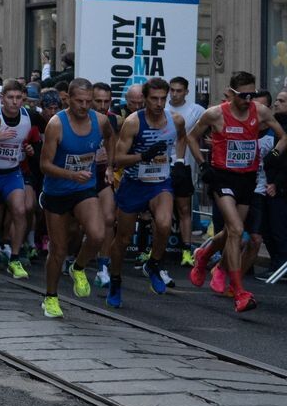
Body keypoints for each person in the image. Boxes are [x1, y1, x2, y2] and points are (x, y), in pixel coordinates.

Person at [187, 71, 287, 312]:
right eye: (242, 95)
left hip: (247, 178)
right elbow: (191, 137)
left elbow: (283, 137)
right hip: (222, 176)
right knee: (237, 230)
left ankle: (203, 255)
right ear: (231, 93)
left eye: (251, 94)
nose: (247, 99)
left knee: (230, 231)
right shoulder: (215, 113)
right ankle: (240, 292)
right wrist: (203, 164)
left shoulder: (260, 112)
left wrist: (274, 154)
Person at [38, 78, 112, 319]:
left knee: (98, 234)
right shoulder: (56, 124)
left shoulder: (100, 121)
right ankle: (50, 297)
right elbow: (44, 165)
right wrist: (71, 174)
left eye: (88, 102)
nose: (84, 106)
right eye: (79, 101)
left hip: (83, 188)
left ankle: (78, 267)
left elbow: (112, 139)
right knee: (58, 249)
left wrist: (110, 167)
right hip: (57, 191)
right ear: (67, 99)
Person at [112, 77, 187, 305]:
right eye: (154, 98)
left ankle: (153, 264)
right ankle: (115, 281)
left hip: (159, 182)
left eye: (163, 98)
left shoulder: (176, 120)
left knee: (164, 224)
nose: (159, 103)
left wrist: (180, 160)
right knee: (123, 239)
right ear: (144, 99)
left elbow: (182, 137)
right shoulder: (134, 122)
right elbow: (117, 159)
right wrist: (143, 156)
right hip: (134, 183)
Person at [0, 79, 39, 279]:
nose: (14, 102)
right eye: (10, 98)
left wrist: (32, 148)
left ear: (24, 99)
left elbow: (47, 133)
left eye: (19, 98)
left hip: (12, 173)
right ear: (2, 98)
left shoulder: (29, 115)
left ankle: (14, 258)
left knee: (20, 211)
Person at [167, 76, 206, 265]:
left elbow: (213, 126)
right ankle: (151, 251)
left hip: (184, 167)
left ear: (186, 92)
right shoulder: (162, 109)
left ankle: (186, 252)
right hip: (161, 167)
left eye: (178, 90)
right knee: (158, 212)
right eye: (172, 90)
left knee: (184, 210)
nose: (174, 94)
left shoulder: (196, 110)